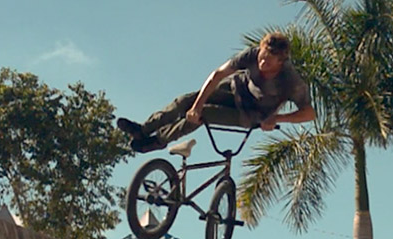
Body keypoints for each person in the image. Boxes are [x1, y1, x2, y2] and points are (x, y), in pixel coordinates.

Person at [116, 32, 316, 154]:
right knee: (185, 101)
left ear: (280, 62)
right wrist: (195, 106)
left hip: (251, 113)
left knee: (204, 114)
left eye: (269, 62)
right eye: (262, 57)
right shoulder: (252, 54)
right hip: (234, 90)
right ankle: (142, 130)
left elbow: (309, 113)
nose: (263, 63)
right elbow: (218, 75)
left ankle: (158, 141)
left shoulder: (290, 80)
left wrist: (277, 118)